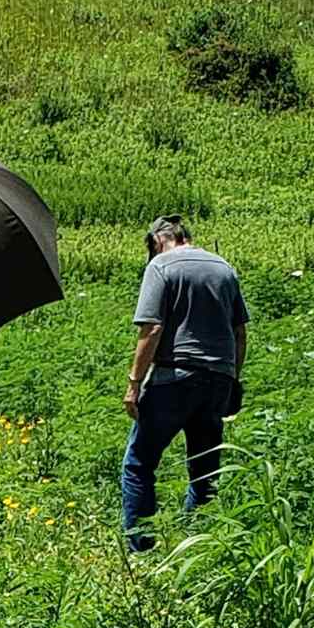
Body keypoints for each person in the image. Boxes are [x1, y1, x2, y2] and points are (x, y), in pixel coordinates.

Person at [121, 217, 249, 552]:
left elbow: (151, 329)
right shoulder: (224, 268)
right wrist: (233, 380)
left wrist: (134, 383)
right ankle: (196, 548)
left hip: (173, 378)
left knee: (138, 464)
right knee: (204, 470)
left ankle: (141, 549)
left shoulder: (161, 266)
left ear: (157, 241)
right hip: (218, 379)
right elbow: (239, 333)